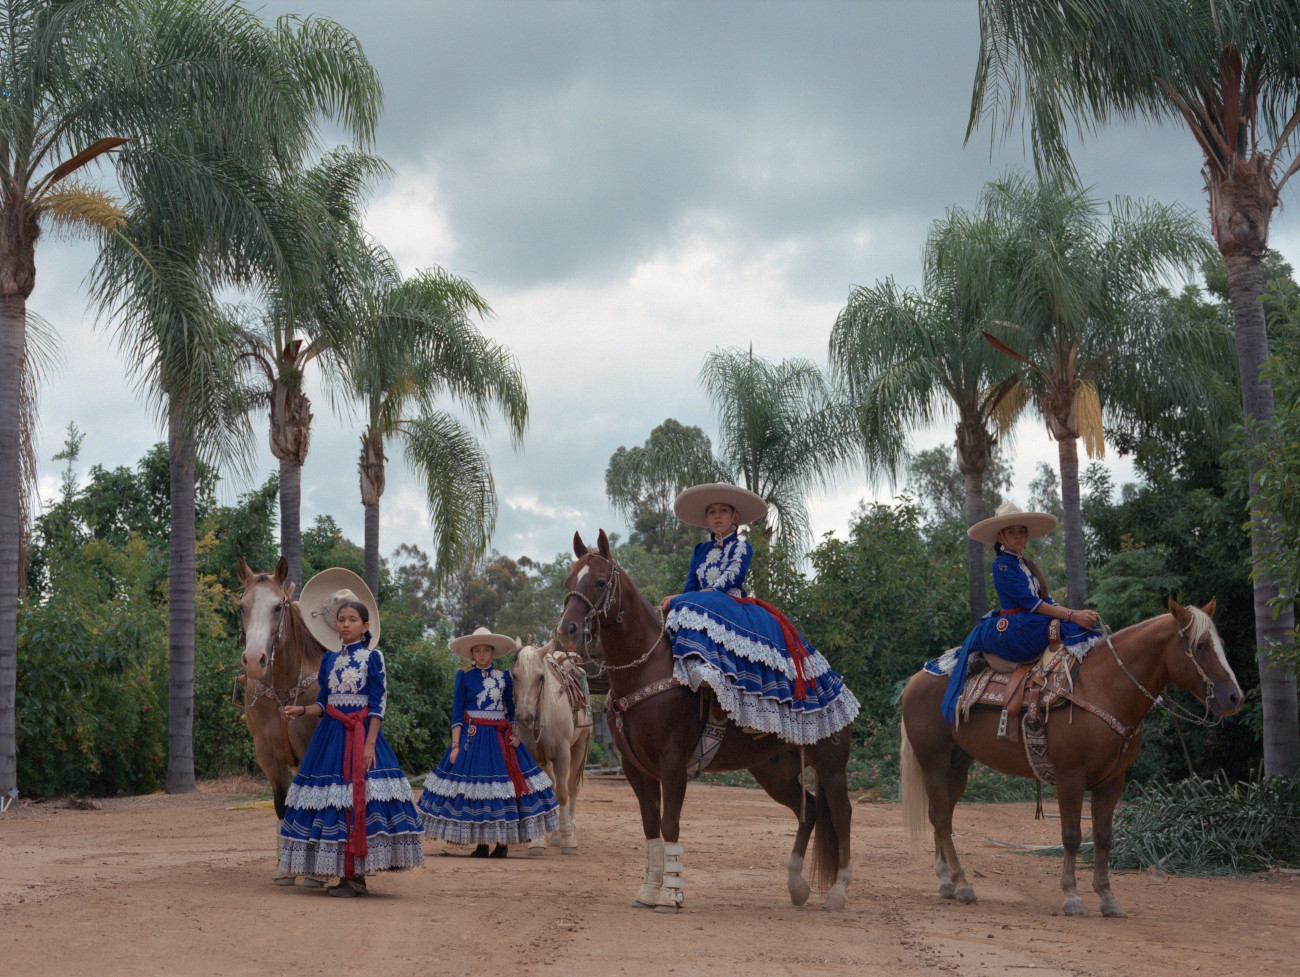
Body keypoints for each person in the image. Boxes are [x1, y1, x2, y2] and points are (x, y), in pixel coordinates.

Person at [659, 482, 859, 744]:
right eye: (711, 512)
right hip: (700, 605)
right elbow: (690, 587)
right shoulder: (700, 551)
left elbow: (727, 583)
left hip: (729, 604)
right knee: (676, 608)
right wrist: (681, 600)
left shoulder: (742, 547)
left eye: (723, 511)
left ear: (735, 517)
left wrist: (686, 600)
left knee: (690, 605)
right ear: (706, 519)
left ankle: (752, 710)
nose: (717, 516)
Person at [277, 568, 425, 896]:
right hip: (330, 737)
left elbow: (378, 703)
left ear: (365, 625)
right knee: (333, 803)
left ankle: (356, 878)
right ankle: (345, 875)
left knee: (360, 802)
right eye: (341, 619)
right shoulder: (329, 661)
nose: (345, 624)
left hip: (361, 736)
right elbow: (323, 703)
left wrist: (370, 743)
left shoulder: (374, 658)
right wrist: (300, 710)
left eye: (352, 619)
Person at [939, 502, 1102, 723]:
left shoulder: (1027, 564)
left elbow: (1046, 600)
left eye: (1022, 531)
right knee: (1071, 627)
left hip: (1030, 620)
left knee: (1082, 625)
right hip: (1017, 626)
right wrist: (1073, 616)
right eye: (1011, 532)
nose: (1018, 536)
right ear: (1000, 537)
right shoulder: (1002, 566)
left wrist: (1076, 612)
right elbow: (1032, 604)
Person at [417, 627, 559, 856]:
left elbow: (511, 709)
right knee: (474, 792)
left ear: (493, 653)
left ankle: (502, 844)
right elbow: (456, 714)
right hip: (471, 740)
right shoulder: (464, 678)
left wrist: (514, 734)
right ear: (472, 654)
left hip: (499, 740)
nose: (482, 654)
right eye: (477, 651)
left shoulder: (504, 677)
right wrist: (455, 746)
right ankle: (481, 844)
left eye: (486, 650)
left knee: (501, 790)